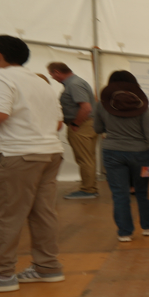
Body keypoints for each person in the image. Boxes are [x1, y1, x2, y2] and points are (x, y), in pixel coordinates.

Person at [0, 35, 65, 292]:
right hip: (50, 153)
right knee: (43, 213)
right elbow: (58, 122)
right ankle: (48, 267)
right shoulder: (39, 82)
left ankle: (0, 274)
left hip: (17, 155)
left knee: (7, 215)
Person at [95, 71, 149, 241]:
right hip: (142, 154)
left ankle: (124, 233)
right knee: (144, 191)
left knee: (119, 193)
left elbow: (97, 129)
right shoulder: (141, 104)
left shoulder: (101, 104)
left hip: (111, 153)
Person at [48, 62, 98, 199]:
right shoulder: (76, 83)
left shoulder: (74, 84)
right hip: (88, 124)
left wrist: (76, 123)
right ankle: (90, 187)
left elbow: (86, 107)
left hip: (83, 125)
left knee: (85, 159)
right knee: (89, 158)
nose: (52, 77)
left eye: (51, 74)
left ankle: (88, 190)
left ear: (57, 72)